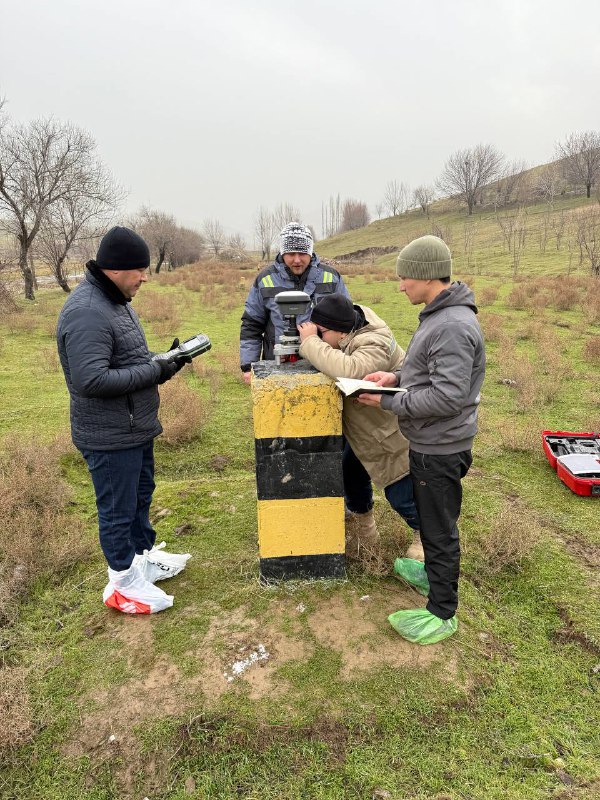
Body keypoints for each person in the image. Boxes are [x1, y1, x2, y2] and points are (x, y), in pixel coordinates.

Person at [56, 226, 193, 614]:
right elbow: (91, 379)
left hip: (132, 426)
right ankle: (122, 581)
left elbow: (129, 359)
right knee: (117, 509)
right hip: (109, 434)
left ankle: (140, 560)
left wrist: (166, 363)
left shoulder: (115, 301)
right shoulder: (86, 311)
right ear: (116, 269)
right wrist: (153, 370)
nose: (145, 277)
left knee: (139, 497)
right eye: (140, 270)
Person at [358, 235, 485, 644]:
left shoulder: (450, 325)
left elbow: (448, 397)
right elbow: (433, 374)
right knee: (433, 521)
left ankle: (442, 611)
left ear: (426, 276)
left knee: (438, 528)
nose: (400, 286)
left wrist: (388, 402)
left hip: (441, 446)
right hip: (433, 441)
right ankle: (433, 577)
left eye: (404, 278)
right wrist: (395, 378)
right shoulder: (439, 315)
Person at [297, 295, 421, 562]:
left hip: (387, 432)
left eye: (322, 332)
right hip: (363, 430)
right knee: (351, 475)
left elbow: (350, 370)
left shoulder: (373, 342)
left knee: (399, 487)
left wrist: (309, 342)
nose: (318, 336)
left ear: (340, 331)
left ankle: (425, 533)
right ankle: (366, 533)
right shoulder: (350, 328)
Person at [239, 222, 350, 382]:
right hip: (276, 367)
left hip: (322, 365)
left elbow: (347, 323)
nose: (297, 260)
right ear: (283, 253)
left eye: (302, 253)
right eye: (291, 253)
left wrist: (349, 361)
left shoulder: (331, 278)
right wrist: (249, 366)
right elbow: (252, 324)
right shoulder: (265, 280)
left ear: (311, 252)